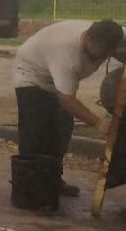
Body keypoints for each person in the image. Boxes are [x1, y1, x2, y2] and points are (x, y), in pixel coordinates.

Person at [10, 19, 122, 204]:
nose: (105, 56)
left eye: (108, 52)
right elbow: (67, 100)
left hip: (59, 77)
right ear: (88, 39)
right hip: (32, 73)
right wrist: (99, 123)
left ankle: (53, 180)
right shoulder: (66, 55)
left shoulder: (113, 36)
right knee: (35, 130)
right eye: (102, 51)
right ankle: (28, 187)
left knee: (62, 128)